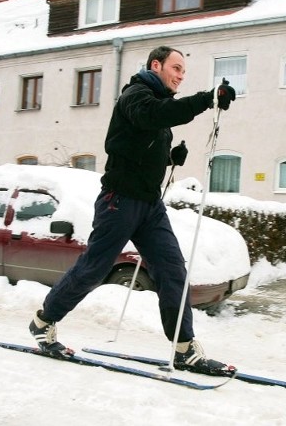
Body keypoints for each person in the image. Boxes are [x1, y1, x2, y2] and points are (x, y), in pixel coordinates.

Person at [30, 45, 236, 376]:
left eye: (184, 71)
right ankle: (43, 322)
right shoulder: (135, 95)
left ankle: (184, 349)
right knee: (94, 268)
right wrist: (206, 99)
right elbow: (152, 116)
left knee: (172, 270)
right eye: (176, 68)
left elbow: (140, 143)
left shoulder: (158, 103)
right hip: (119, 201)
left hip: (149, 205)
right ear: (156, 65)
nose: (180, 75)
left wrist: (170, 158)